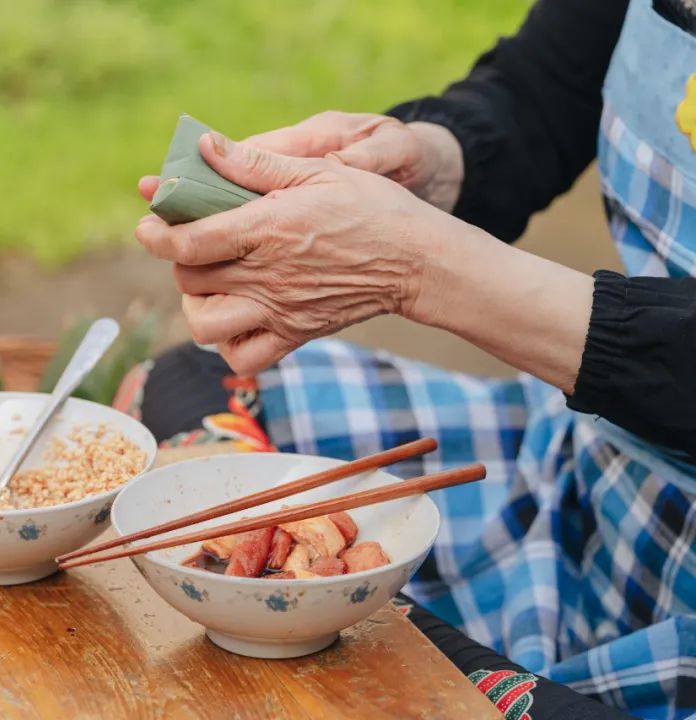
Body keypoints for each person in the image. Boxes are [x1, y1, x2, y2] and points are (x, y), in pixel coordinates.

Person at [116, 1, 696, 718]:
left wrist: (421, 269)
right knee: (187, 384)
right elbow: (545, 88)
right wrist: (428, 163)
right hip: (600, 467)